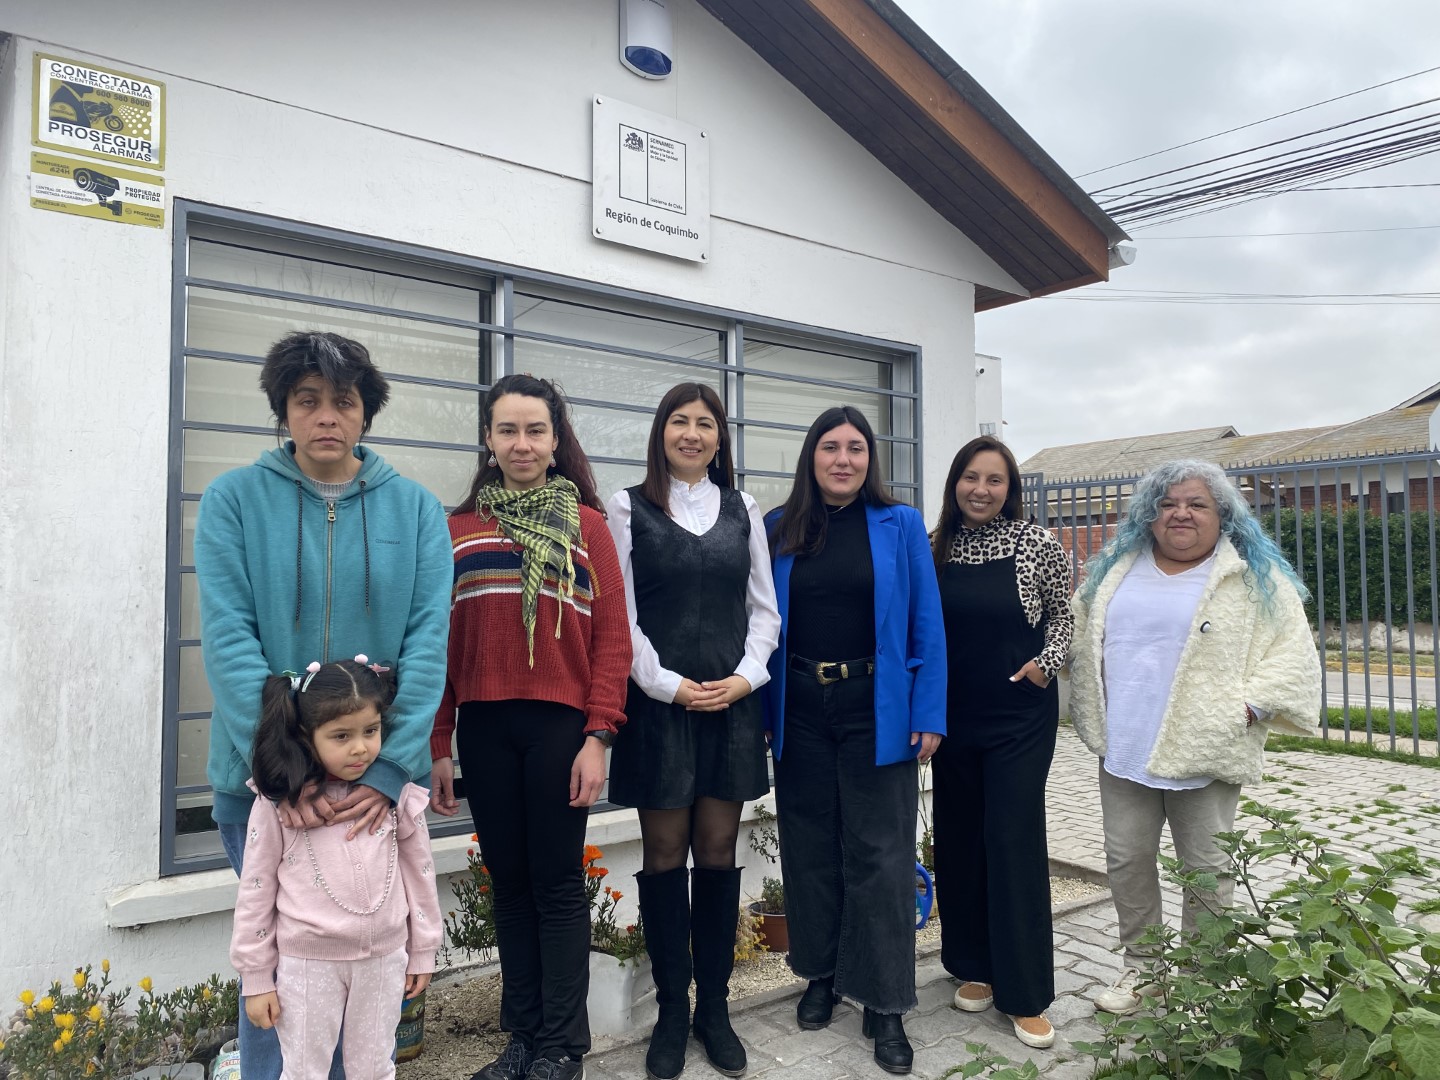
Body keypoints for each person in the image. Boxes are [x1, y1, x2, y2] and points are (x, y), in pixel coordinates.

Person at [196, 331, 452, 1080]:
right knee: (280, 978)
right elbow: (228, 638)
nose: (326, 417)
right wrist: (287, 772)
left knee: (366, 986)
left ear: (366, 412)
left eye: (343, 401)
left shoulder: (416, 510)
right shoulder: (233, 501)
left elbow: (428, 643)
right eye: (306, 401)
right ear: (283, 410)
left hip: (378, 790)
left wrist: (390, 768)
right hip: (267, 788)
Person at [430, 374, 631, 1080]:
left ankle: (561, 1045)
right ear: (488, 439)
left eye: (535, 430)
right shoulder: (456, 530)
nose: (522, 443)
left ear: (554, 440)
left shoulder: (590, 528)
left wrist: (598, 736)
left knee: (556, 883)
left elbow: (612, 641)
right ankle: (520, 1037)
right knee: (508, 884)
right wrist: (439, 744)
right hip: (484, 728)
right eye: (508, 430)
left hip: (560, 730)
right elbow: (438, 644)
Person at [1068, 460, 1321, 1015]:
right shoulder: (1115, 571)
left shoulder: (1251, 579)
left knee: (1207, 870)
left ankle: (1201, 980)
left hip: (1205, 750)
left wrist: (1247, 709)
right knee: (1126, 860)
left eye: (1196, 504)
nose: (1180, 514)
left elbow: (1293, 654)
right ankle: (1144, 968)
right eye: (1168, 504)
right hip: (1124, 748)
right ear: (1150, 514)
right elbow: (1076, 632)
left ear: (1222, 515)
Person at [762, 405, 946, 1076]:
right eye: (831, 447)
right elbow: (759, 622)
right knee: (810, 846)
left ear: (871, 459)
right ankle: (821, 974)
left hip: (878, 704)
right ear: (811, 457)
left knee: (882, 856)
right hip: (800, 704)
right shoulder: (778, 527)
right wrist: (761, 710)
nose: (844, 459)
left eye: (856, 448)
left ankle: (886, 1000)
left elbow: (927, 621)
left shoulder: (900, 524)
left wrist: (929, 711)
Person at [605, 383, 780, 1080]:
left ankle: (715, 1008)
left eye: (705, 423)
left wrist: (746, 677)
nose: (692, 433)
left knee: (715, 853)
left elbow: (764, 611)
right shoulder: (629, 508)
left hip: (730, 708)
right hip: (660, 710)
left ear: (719, 438)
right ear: (661, 433)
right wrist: (666, 684)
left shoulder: (745, 509)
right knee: (663, 855)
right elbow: (619, 616)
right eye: (679, 421)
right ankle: (672, 1012)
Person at [231, 657, 442, 1080]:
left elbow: (420, 873)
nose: (360, 748)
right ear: (306, 736)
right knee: (304, 1072)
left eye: (371, 731)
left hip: (383, 961)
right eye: (341, 736)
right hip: (307, 966)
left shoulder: (398, 798)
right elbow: (255, 891)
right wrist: (256, 979)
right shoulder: (278, 807)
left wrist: (422, 950)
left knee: (375, 1069)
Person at [928, 437, 1072, 1049]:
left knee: (1011, 842)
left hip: (1018, 718)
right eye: (971, 477)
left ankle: (1025, 992)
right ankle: (975, 966)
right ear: (955, 483)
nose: (981, 490)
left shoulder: (1036, 544)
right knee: (960, 839)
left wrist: (1045, 664)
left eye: (994, 480)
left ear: (1010, 489)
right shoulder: (935, 547)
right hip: (953, 719)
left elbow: (1066, 616)